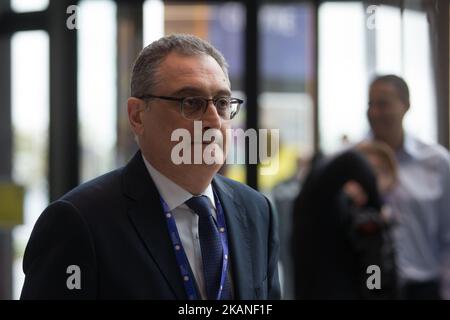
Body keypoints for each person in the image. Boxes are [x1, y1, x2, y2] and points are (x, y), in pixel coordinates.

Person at [20, 34, 281, 300]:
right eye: (191, 102)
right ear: (137, 116)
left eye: (223, 103)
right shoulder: (78, 223)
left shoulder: (256, 210)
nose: (213, 120)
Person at [367, 74, 450, 299]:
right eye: (370, 104)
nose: (374, 112)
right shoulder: (356, 162)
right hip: (372, 286)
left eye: (383, 104)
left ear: (405, 105)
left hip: (423, 287)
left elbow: (448, 236)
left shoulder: (436, 162)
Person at [292, 148, 398, 299]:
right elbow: (351, 160)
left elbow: (374, 277)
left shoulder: (364, 220)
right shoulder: (323, 204)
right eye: (371, 172)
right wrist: (377, 205)